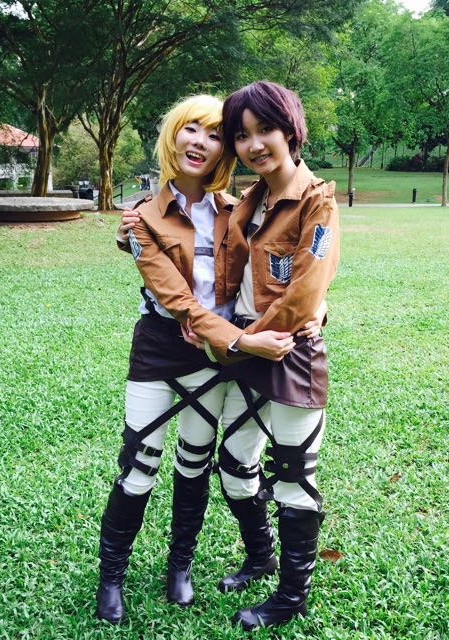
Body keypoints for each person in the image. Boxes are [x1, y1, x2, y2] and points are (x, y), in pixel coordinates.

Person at [96, 94, 321, 625]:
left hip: (220, 354)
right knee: (138, 465)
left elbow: (277, 272)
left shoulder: (237, 209)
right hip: (167, 348)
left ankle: (180, 566)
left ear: (226, 149)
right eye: (190, 129)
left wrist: (317, 307)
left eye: (215, 134)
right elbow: (177, 300)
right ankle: (111, 577)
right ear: (172, 137)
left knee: (194, 459)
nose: (201, 142)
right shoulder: (141, 218)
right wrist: (240, 342)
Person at [188, 80, 340, 630]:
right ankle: (260, 557)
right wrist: (129, 228)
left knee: (294, 478)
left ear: (291, 130)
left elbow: (305, 294)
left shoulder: (318, 201)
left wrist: (239, 342)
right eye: (242, 135)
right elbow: (196, 239)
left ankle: (292, 596)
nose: (254, 144)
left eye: (265, 129)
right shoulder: (247, 202)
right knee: (234, 465)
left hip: (291, 355)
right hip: (246, 351)